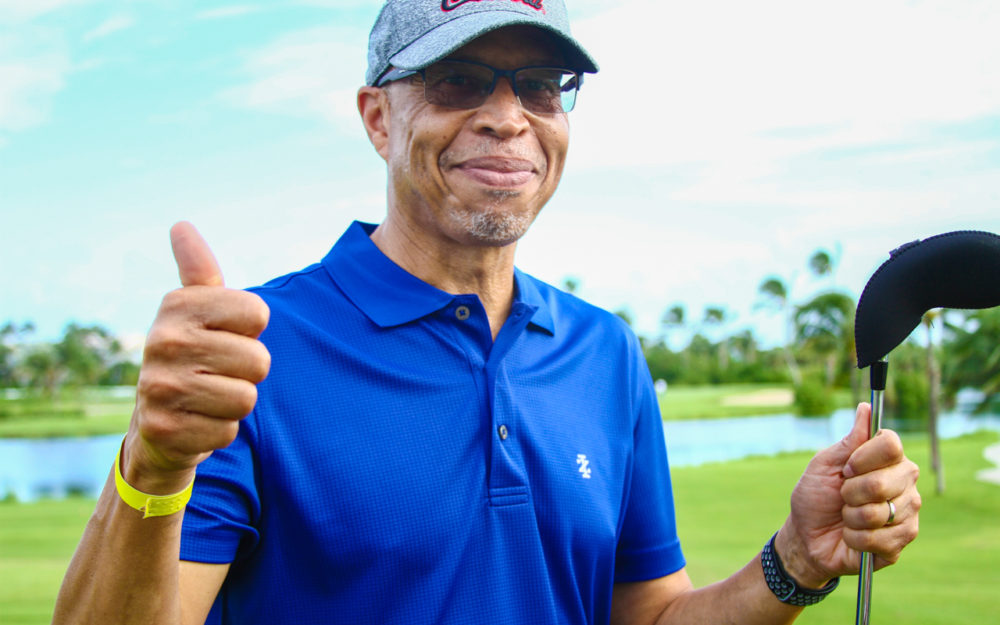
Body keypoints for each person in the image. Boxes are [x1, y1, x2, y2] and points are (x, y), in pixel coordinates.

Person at [53, 1, 920, 623]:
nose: (508, 118)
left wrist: (793, 565)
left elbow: (649, 615)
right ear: (378, 119)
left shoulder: (604, 351)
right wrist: (155, 465)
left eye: (542, 85)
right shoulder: (254, 350)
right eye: (460, 81)